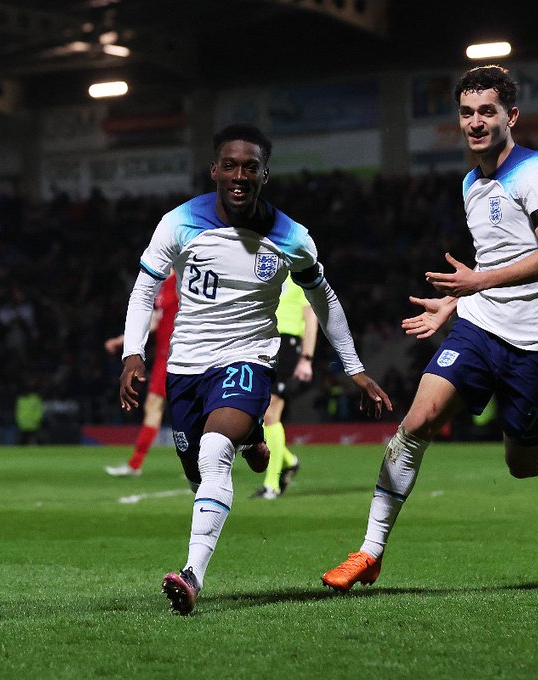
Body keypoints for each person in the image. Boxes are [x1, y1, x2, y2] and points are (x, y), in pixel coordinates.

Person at [321, 65, 538, 593]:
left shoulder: (534, 171)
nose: (475, 122)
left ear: (511, 116)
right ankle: (370, 551)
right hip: (481, 326)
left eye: (486, 111)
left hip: (537, 341)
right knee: (416, 421)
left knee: (522, 462)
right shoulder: (471, 182)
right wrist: (454, 303)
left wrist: (475, 282)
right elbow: (493, 256)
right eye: (467, 113)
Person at [118, 123, 392, 615]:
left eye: (251, 167)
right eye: (230, 165)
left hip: (248, 357)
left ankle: (192, 575)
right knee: (196, 470)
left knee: (214, 451)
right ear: (214, 170)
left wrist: (354, 367)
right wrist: (132, 353)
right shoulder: (178, 222)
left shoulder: (293, 237)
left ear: (265, 174)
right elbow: (144, 289)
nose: (239, 175)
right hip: (186, 367)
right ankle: (253, 440)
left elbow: (323, 300)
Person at [251, 273, 318, 500]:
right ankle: (289, 461)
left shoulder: (299, 272)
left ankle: (272, 484)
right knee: (256, 415)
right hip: (261, 342)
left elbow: (311, 316)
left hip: (287, 345)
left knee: (270, 414)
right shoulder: (265, 273)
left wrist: (307, 357)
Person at [104, 271, 179, 477]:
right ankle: (135, 464)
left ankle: (206, 460)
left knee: (190, 408)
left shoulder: (185, 278)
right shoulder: (165, 286)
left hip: (182, 353)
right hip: (165, 357)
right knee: (154, 407)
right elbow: (154, 319)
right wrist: (122, 341)